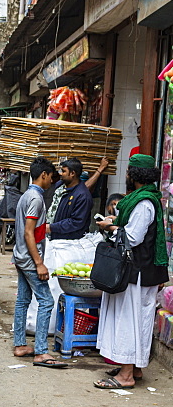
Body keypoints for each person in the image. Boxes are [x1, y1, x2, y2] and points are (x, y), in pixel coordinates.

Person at [94, 155, 168, 389]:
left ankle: (125, 376)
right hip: (142, 271)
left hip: (137, 272)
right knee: (138, 318)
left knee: (129, 319)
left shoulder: (143, 202)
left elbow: (133, 238)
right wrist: (117, 221)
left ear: (135, 175)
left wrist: (110, 226)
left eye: (129, 171)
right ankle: (133, 368)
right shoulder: (144, 200)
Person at [12, 156, 66, 368]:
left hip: (21, 256)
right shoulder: (35, 198)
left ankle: (20, 345)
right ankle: (41, 351)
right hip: (29, 258)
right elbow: (28, 232)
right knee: (46, 301)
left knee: (23, 300)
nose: (52, 181)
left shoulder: (27, 195)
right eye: (51, 177)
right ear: (43, 175)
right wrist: (39, 263)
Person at [46, 157, 94, 241]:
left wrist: (52, 227)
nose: (60, 173)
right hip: (51, 235)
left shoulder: (83, 196)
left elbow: (76, 222)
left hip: (68, 241)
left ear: (72, 173)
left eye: (64, 171)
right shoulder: (59, 185)